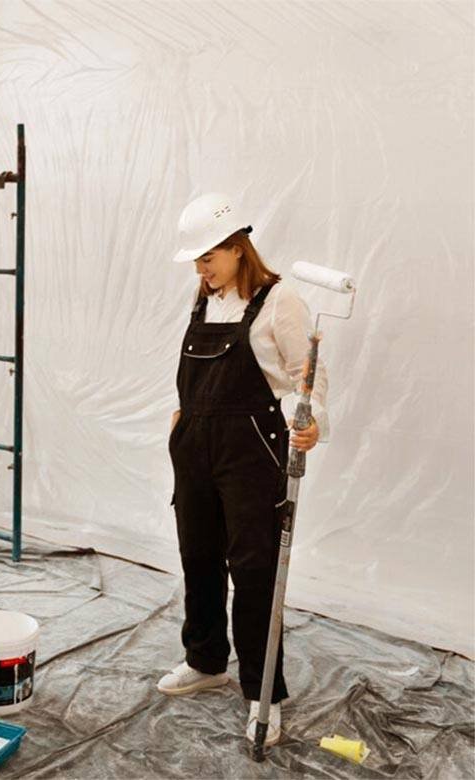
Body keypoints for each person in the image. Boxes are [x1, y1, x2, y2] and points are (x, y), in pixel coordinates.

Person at [158, 193, 329, 747]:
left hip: (252, 452)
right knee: (198, 557)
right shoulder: (205, 299)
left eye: (207, 257)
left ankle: (262, 695)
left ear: (237, 248)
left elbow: (308, 374)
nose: (200, 269)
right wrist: (182, 422)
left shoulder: (281, 301)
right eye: (196, 261)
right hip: (195, 449)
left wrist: (312, 420)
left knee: (254, 573)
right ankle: (206, 660)